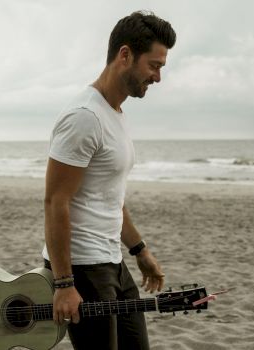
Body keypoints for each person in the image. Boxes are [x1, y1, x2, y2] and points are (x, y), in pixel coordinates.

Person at [42, 10, 176, 349]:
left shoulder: (115, 114)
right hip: (83, 269)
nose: (158, 77)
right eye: (155, 65)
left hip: (112, 262)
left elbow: (109, 197)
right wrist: (63, 284)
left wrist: (139, 249)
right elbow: (56, 202)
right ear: (125, 55)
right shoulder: (84, 117)